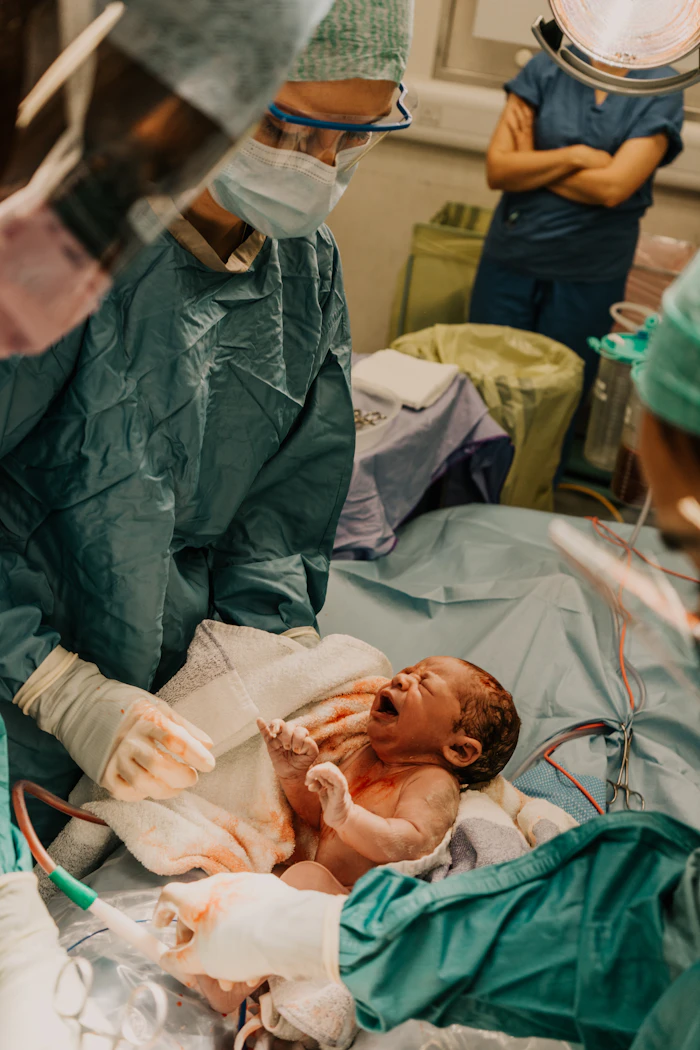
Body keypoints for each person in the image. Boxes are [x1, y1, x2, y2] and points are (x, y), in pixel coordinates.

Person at [152, 252, 700, 1050]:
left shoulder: (436, 784)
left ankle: (293, 1017)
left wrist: (338, 936)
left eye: (681, 541)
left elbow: (416, 850)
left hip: (369, 902)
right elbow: (658, 940)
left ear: (461, 744)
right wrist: (296, 778)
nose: (398, 678)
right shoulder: (363, 741)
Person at [0, 0, 414, 846]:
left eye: (354, 136)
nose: (320, 168)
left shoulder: (307, 267)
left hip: (180, 688)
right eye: (290, 129)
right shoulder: (55, 242)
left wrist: (271, 665)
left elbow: (278, 518)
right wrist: (60, 689)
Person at [469, 50, 685, 412]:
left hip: (589, 273)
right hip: (512, 259)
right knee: (482, 395)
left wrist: (533, 161)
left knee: (556, 404)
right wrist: (577, 157)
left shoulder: (662, 86)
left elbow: (614, 188)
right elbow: (500, 170)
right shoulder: (547, 66)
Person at [259, 657, 519, 889]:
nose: (401, 679)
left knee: (296, 881)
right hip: (319, 885)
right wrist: (294, 773)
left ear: (459, 749)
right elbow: (320, 816)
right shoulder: (365, 755)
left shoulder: (432, 780)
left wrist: (348, 817)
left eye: (424, 685)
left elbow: (413, 844)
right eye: (408, 671)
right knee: (268, 875)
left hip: (356, 902)